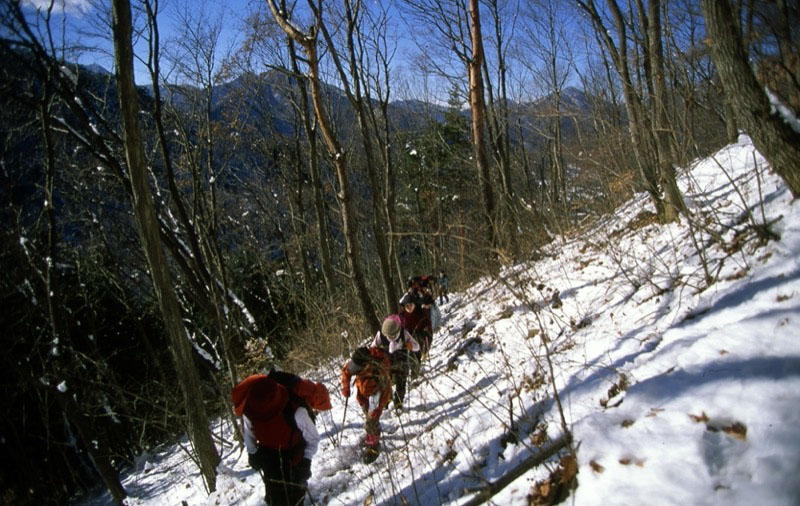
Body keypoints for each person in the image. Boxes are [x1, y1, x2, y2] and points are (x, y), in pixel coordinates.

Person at [231, 372, 327, 506]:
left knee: (294, 498)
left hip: (294, 458)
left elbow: (313, 439)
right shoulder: (251, 409)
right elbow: (250, 435)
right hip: (269, 459)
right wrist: (253, 454)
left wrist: (306, 461)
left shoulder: (295, 410)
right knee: (275, 498)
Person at [341, 346, 393, 463]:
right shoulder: (358, 360)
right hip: (363, 393)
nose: (355, 369)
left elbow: (385, 387)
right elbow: (346, 371)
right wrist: (346, 388)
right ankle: (372, 432)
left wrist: (380, 405)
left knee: (372, 419)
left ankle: (373, 447)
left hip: (378, 393)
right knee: (369, 417)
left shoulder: (380, 367)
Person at [372, 314, 420, 412]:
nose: (390, 337)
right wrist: (375, 352)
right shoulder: (381, 335)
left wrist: (410, 346)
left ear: (397, 331)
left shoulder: (404, 333)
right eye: (388, 335)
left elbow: (417, 346)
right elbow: (372, 347)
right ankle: (386, 401)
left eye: (392, 335)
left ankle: (398, 404)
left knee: (401, 383)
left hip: (402, 362)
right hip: (387, 362)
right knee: (386, 383)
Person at [397, 291, 433, 362]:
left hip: (419, 339)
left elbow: (428, 326)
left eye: (411, 304)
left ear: (414, 304)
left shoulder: (421, 313)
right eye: (407, 305)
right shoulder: (401, 316)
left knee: (416, 357)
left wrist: (426, 335)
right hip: (406, 340)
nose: (409, 307)